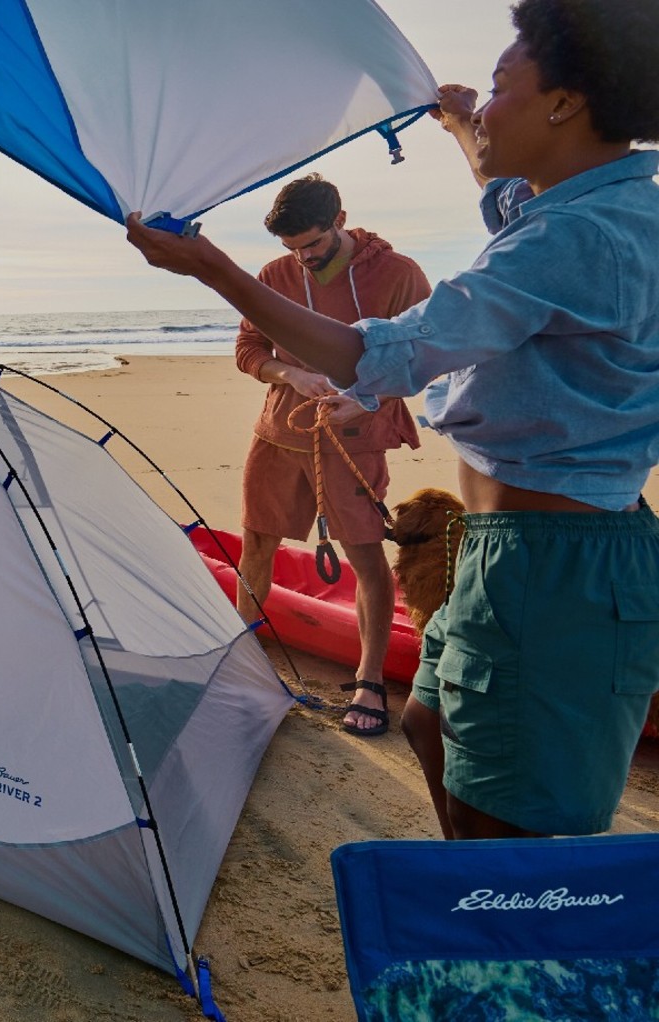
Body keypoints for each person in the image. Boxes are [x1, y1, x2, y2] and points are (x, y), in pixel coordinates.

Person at [125, 0, 659, 840]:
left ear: (564, 104)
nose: (484, 108)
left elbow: (378, 353)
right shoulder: (584, 208)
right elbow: (504, 197)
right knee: (430, 722)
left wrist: (210, 268)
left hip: (554, 566)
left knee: (509, 818)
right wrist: (458, 127)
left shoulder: (577, 238)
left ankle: (483, 906)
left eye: (498, 87)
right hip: (512, 548)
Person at [234, 174, 430, 737]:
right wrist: (289, 373)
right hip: (280, 431)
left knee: (365, 555)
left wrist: (366, 398)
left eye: (312, 244)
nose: (302, 257)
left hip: (355, 437)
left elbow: (425, 355)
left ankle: (370, 679)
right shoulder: (275, 275)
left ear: (339, 220)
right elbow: (249, 348)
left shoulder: (399, 274)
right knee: (257, 544)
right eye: (291, 247)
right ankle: (241, 657)